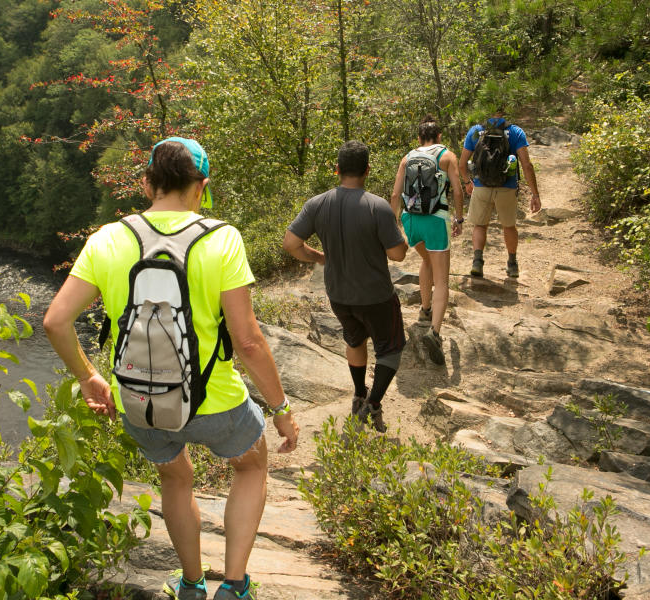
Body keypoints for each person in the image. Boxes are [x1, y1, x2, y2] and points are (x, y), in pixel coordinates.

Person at [44, 137, 299, 600]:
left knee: (175, 476)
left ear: (146, 184)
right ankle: (235, 585)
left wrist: (88, 377)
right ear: (201, 187)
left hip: (139, 402)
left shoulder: (107, 239)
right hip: (214, 400)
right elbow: (247, 340)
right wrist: (280, 407)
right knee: (251, 464)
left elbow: (56, 321)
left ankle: (190, 583)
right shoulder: (221, 238)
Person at [282, 141, 408, 432]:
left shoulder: (317, 204)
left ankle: (358, 394)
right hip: (376, 296)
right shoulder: (377, 206)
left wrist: (320, 258)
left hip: (339, 296)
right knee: (390, 349)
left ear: (337, 170)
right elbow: (397, 254)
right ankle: (372, 405)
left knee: (354, 340)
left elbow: (291, 244)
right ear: (367, 170)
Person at [391, 117, 464, 366]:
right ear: (439, 136)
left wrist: (394, 226)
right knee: (442, 279)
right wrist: (459, 218)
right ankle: (434, 333)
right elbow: (457, 189)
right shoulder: (447, 156)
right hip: (434, 219)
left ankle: (425, 309)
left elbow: (394, 193)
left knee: (426, 260)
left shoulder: (407, 157)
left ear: (419, 138)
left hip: (410, 219)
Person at [458, 112, 542, 279]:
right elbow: (527, 165)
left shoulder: (476, 131)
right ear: (504, 111)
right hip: (507, 187)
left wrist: (468, 183)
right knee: (509, 226)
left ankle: (477, 262)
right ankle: (512, 265)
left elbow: (462, 164)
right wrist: (535, 194)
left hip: (481, 186)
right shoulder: (516, 132)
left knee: (480, 225)